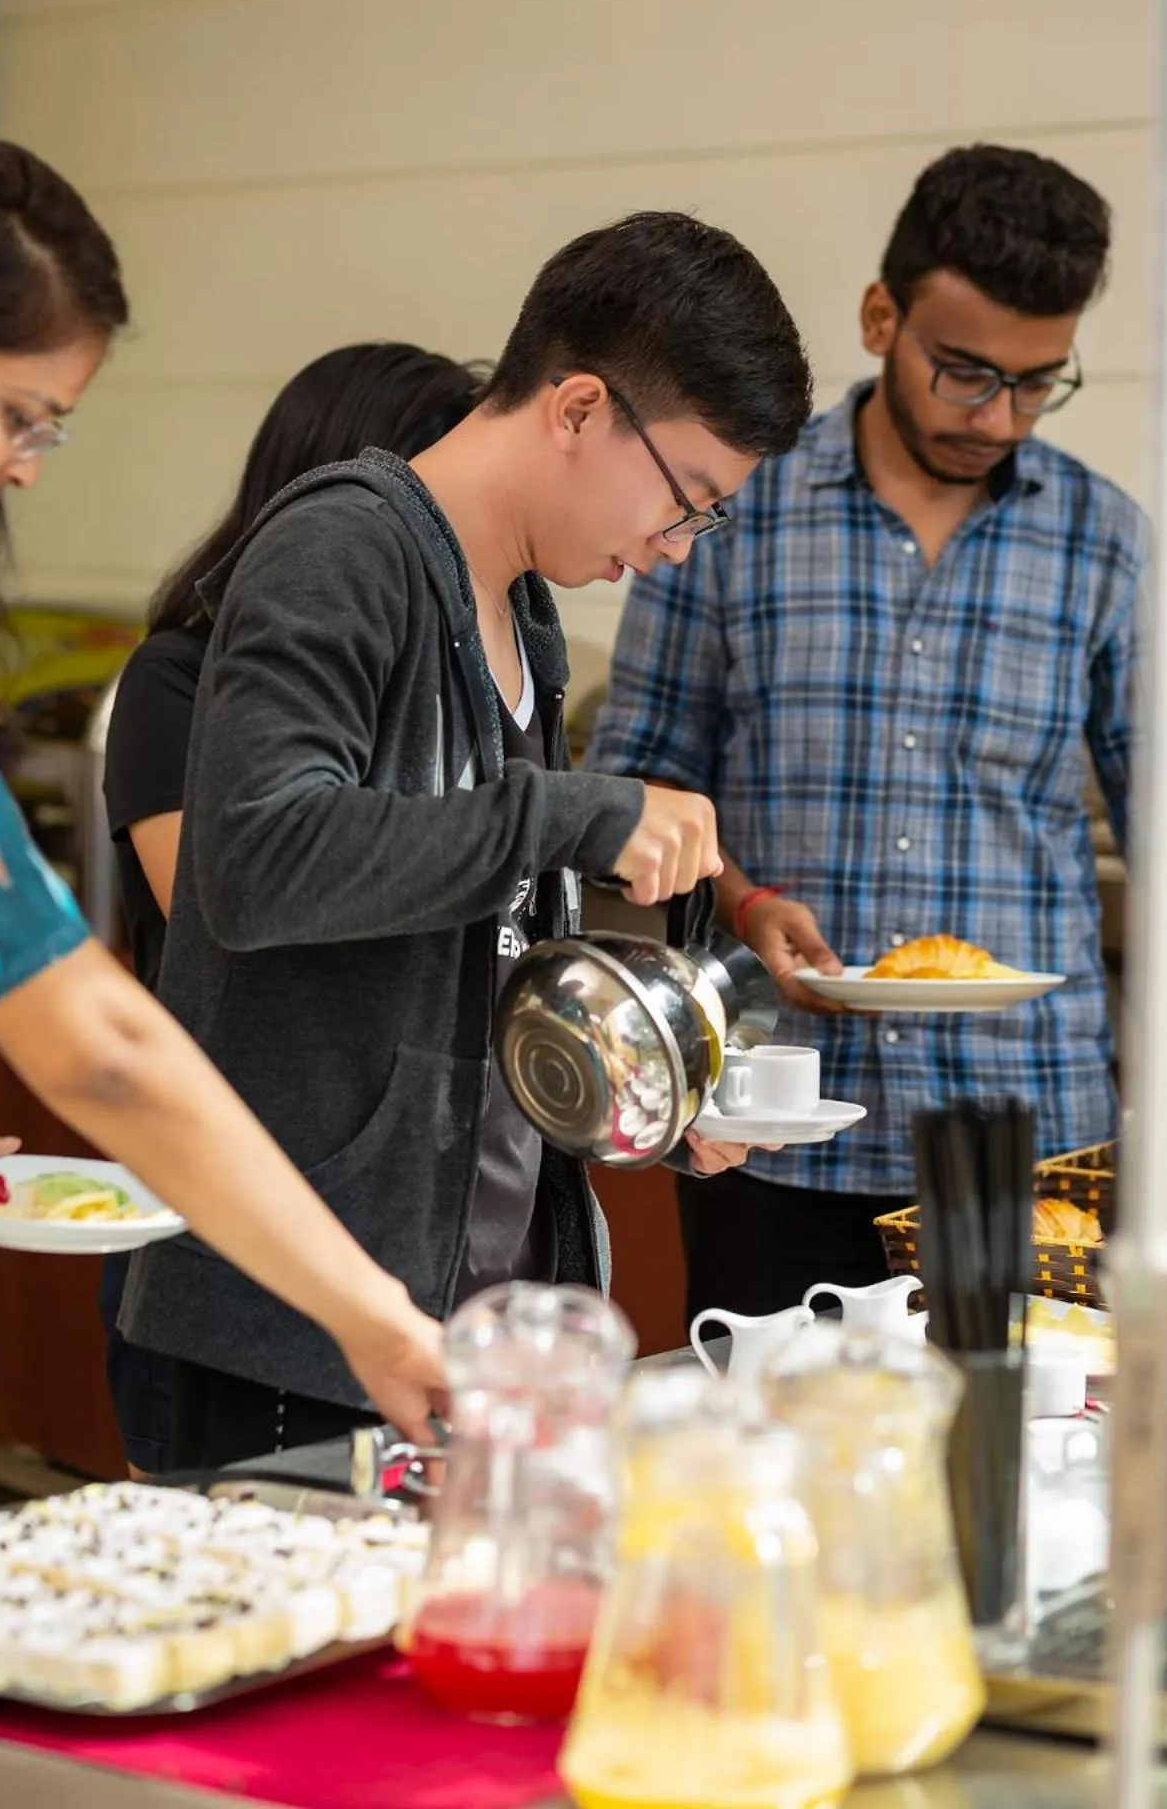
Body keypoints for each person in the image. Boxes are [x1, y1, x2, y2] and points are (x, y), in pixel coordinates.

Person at [120, 210, 814, 1470]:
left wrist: (646, 1097)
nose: (669, 549)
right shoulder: (346, 546)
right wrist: (574, 809)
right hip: (305, 1319)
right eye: (686, 498)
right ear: (579, 409)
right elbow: (253, 863)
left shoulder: (524, 613)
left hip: (468, 1311)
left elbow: (469, 947)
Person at [589, 143, 1167, 1324]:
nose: (1000, 415)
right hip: (777, 1128)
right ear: (883, 317)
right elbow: (641, 782)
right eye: (967, 372)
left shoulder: (1105, 541)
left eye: (1039, 383)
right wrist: (743, 899)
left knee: (1014, 1480)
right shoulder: (732, 508)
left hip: (1022, 1140)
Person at [0, 134, 446, 1441]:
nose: (28, 464)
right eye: (21, 414)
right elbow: (104, 1049)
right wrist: (372, 1314)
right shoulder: (175, 682)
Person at [99, 341, 484, 1475]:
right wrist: (521, 830)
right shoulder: (180, 680)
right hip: (219, 1186)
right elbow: (232, 906)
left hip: (364, 1213)